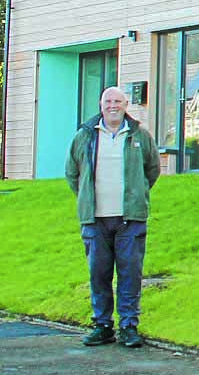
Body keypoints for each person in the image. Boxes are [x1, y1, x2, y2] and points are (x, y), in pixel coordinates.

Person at [65, 86, 161, 348]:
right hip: (95, 220)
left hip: (130, 219)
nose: (113, 105)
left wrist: (135, 195)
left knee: (130, 273)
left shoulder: (139, 135)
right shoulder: (85, 136)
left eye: (118, 101)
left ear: (125, 104)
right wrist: (87, 197)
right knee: (99, 273)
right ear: (100, 104)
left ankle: (129, 326)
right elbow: (73, 173)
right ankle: (102, 325)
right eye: (108, 101)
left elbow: (152, 170)